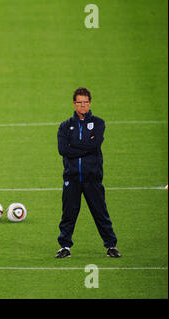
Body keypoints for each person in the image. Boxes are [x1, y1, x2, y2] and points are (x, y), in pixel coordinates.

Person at [55, 87, 121, 258]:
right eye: (79, 102)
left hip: (93, 177)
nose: (82, 105)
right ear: (74, 103)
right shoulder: (65, 126)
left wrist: (74, 147)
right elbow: (63, 150)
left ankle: (111, 246)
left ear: (90, 103)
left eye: (85, 102)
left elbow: (94, 145)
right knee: (68, 214)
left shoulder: (99, 123)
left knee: (100, 213)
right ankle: (65, 247)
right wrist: (86, 148)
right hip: (72, 178)